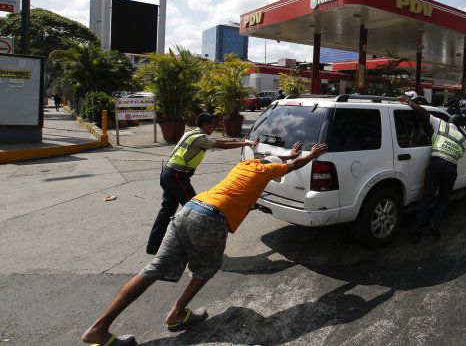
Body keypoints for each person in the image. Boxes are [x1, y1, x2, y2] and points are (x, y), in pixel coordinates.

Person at [81, 142, 328, 345]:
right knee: (205, 270)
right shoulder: (266, 171)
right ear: (271, 166)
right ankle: (177, 313)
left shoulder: (244, 165)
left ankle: (98, 328)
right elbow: (292, 165)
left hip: (189, 209)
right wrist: (311, 155)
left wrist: (288, 153)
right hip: (210, 218)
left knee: (153, 269)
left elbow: (279, 159)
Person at [146, 113, 258, 255]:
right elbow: (222, 146)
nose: (214, 127)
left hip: (168, 173)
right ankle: (197, 248)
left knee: (166, 211)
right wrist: (247, 143)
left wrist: (237, 140)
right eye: (213, 125)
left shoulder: (192, 133)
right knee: (197, 211)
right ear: (206, 125)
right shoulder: (199, 138)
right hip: (177, 176)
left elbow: (218, 141)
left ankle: (153, 247)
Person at [399, 95, 466, 243]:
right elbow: (461, 153)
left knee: (427, 198)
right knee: (443, 199)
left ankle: (417, 233)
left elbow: (422, 113)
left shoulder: (441, 124)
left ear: (449, 121)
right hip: (451, 168)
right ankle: (434, 224)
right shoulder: (462, 139)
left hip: (436, 163)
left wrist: (408, 101)